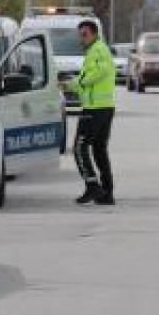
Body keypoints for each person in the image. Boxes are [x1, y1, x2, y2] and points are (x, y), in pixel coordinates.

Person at [70, 19, 117, 206]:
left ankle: (93, 186)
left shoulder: (98, 49)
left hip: (96, 109)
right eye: (80, 34)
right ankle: (106, 193)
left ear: (95, 34)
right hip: (102, 107)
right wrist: (72, 84)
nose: (82, 38)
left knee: (80, 148)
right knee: (99, 151)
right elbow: (91, 78)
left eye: (85, 34)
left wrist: (80, 82)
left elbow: (100, 72)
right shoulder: (96, 50)